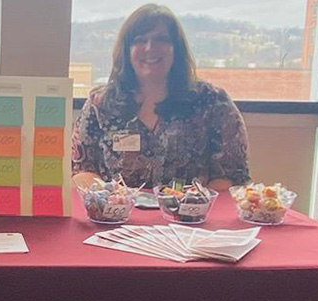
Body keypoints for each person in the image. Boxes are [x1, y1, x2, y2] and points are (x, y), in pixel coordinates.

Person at [72, 4, 250, 193]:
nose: (150, 48)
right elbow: (81, 170)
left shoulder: (212, 101)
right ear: (126, 50)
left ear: (176, 49)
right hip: (116, 216)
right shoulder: (100, 104)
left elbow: (232, 176)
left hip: (189, 219)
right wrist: (115, 199)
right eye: (140, 40)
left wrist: (190, 204)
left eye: (161, 40)